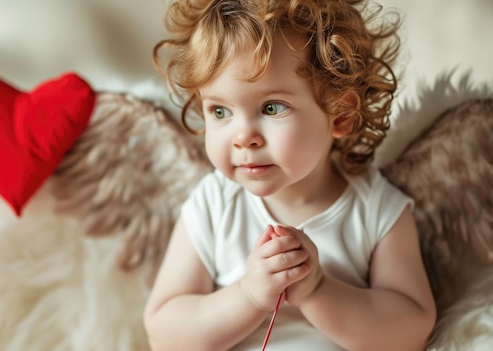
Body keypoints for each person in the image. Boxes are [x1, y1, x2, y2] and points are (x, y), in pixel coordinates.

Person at [143, 0, 436, 350]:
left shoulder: (377, 211)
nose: (242, 136)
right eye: (220, 110)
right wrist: (249, 296)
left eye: (271, 107)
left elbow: (411, 330)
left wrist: (318, 291)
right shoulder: (213, 204)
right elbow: (163, 332)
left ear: (340, 113)